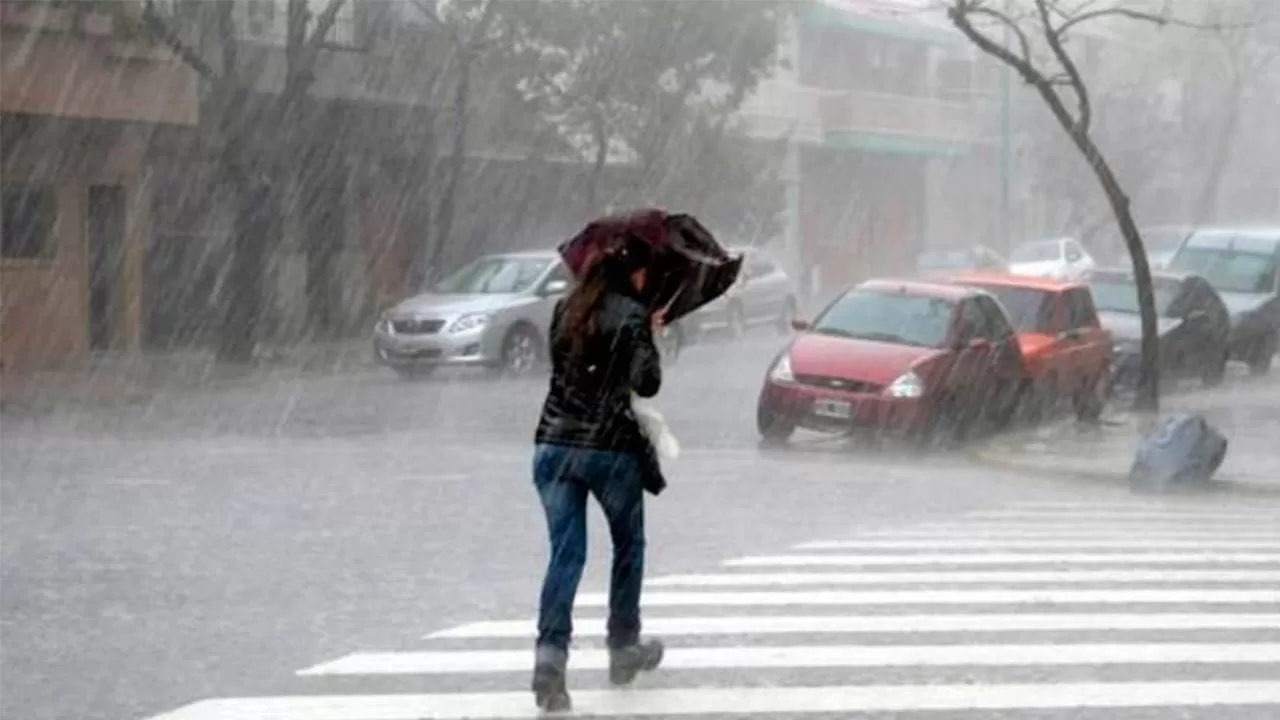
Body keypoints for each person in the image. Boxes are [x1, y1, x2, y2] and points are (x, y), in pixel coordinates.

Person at [530, 235, 666, 711]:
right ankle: (623, 647)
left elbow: (568, 373)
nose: (647, 279)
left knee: (565, 556)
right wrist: (649, 332)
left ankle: (549, 662)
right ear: (633, 273)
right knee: (628, 546)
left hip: (552, 446)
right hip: (608, 449)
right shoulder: (631, 314)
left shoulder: (564, 310)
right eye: (645, 272)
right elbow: (646, 382)